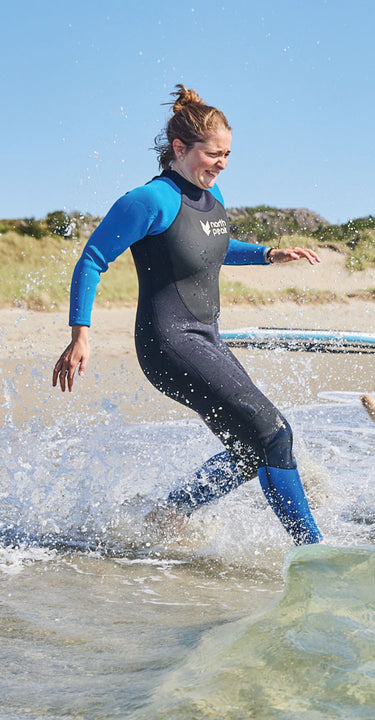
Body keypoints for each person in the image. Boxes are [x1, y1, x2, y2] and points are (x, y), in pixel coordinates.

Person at [52, 85, 323, 545]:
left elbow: (210, 248)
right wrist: (80, 334)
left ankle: (167, 515)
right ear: (180, 148)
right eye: (214, 154)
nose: (222, 164)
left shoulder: (210, 199)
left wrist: (267, 253)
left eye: (228, 155)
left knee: (247, 450)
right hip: (169, 344)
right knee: (274, 433)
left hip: (205, 337)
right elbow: (92, 259)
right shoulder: (149, 200)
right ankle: (316, 552)